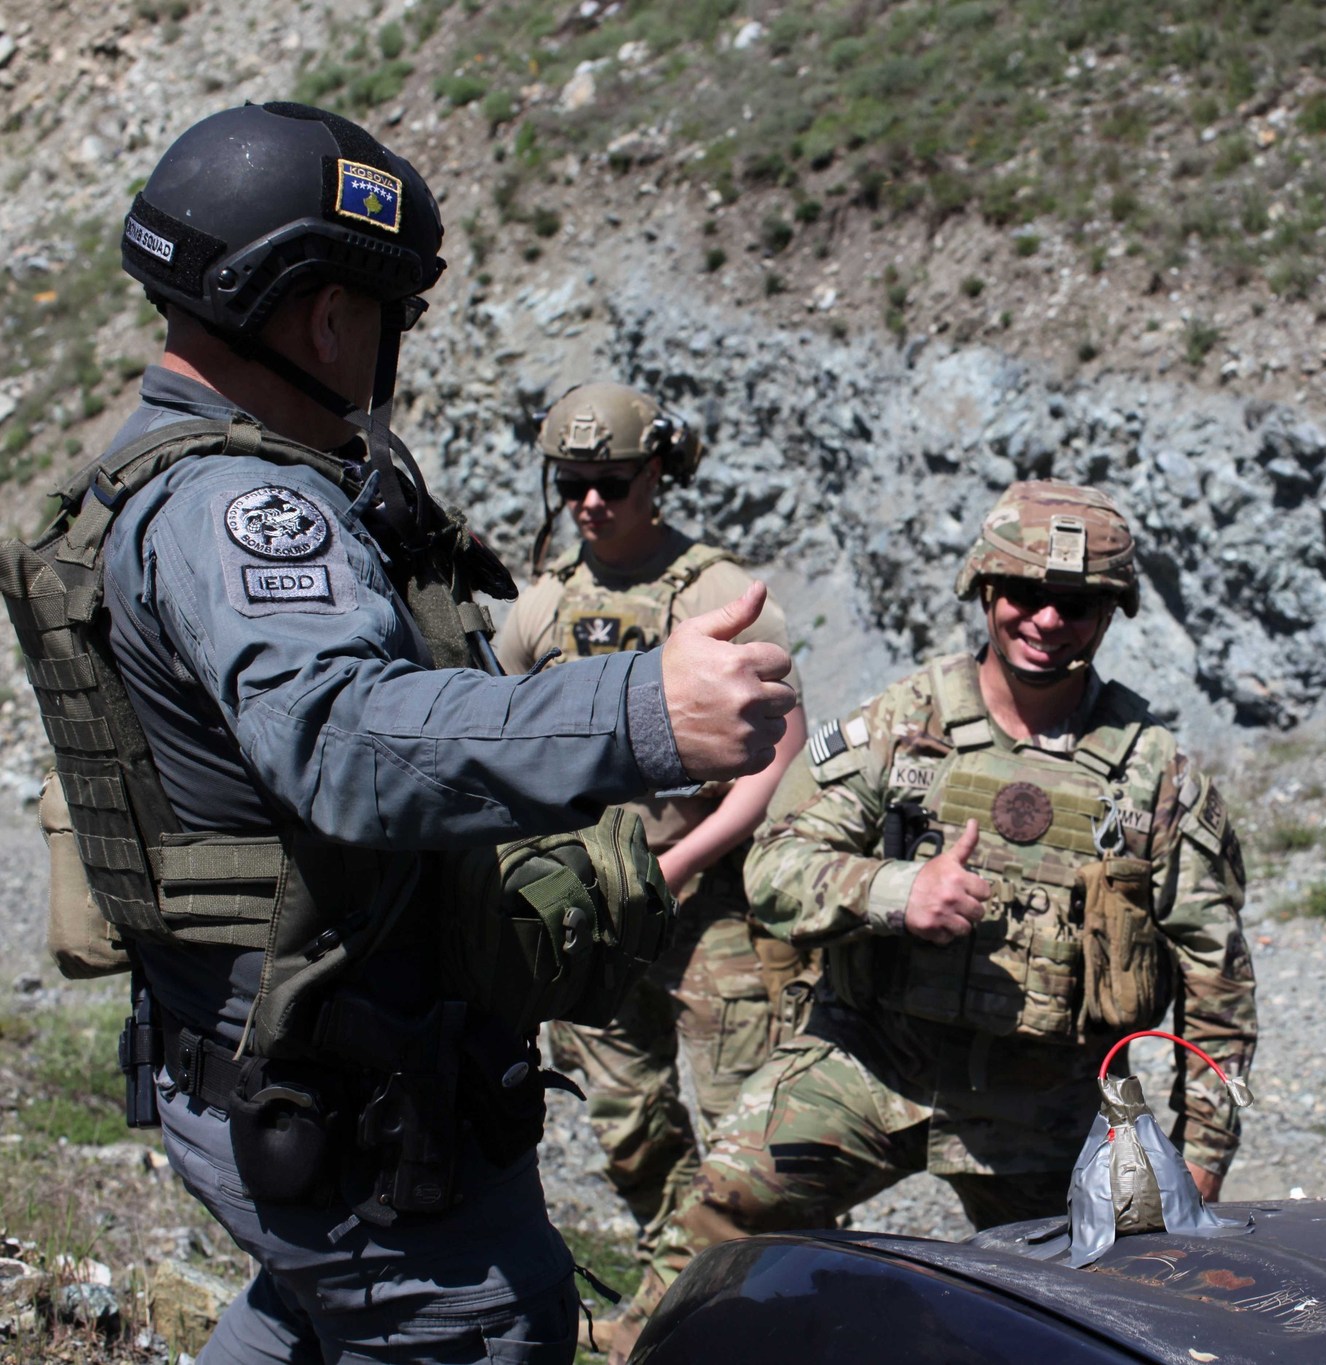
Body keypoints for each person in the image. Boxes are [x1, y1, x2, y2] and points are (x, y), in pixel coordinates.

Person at [17, 103, 793, 1363]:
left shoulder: (156, 473)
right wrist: (644, 710)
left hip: (269, 1068)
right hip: (347, 1097)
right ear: (328, 316)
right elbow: (343, 736)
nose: (390, 346)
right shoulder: (241, 506)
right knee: (482, 1321)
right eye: (390, 314)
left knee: (312, 1310)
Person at [606, 480, 1259, 1360]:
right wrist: (894, 890)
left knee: (1101, 1319)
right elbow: (774, 869)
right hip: (870, 1064)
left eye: (1076, 604)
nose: (1046, 620)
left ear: (1110, 614)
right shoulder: (901, 724)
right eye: (1023, 593)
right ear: (985, 590)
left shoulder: (1156, 776)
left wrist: (1201, 1161)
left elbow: (1219, 988)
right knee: (725, 1214)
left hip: (1043, 1102)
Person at [494, 382, 814, 1285]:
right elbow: (496, 742)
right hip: (589, 903)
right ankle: (680, 1279)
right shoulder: (542, 605)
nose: (591, 502)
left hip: (707, 903)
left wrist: (676, 865)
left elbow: (777, 755)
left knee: (751, 1123)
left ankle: (753, 1285)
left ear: (657, 475)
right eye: (572, 485)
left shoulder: (719, 593)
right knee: (626, 1120)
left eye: (613, 482)